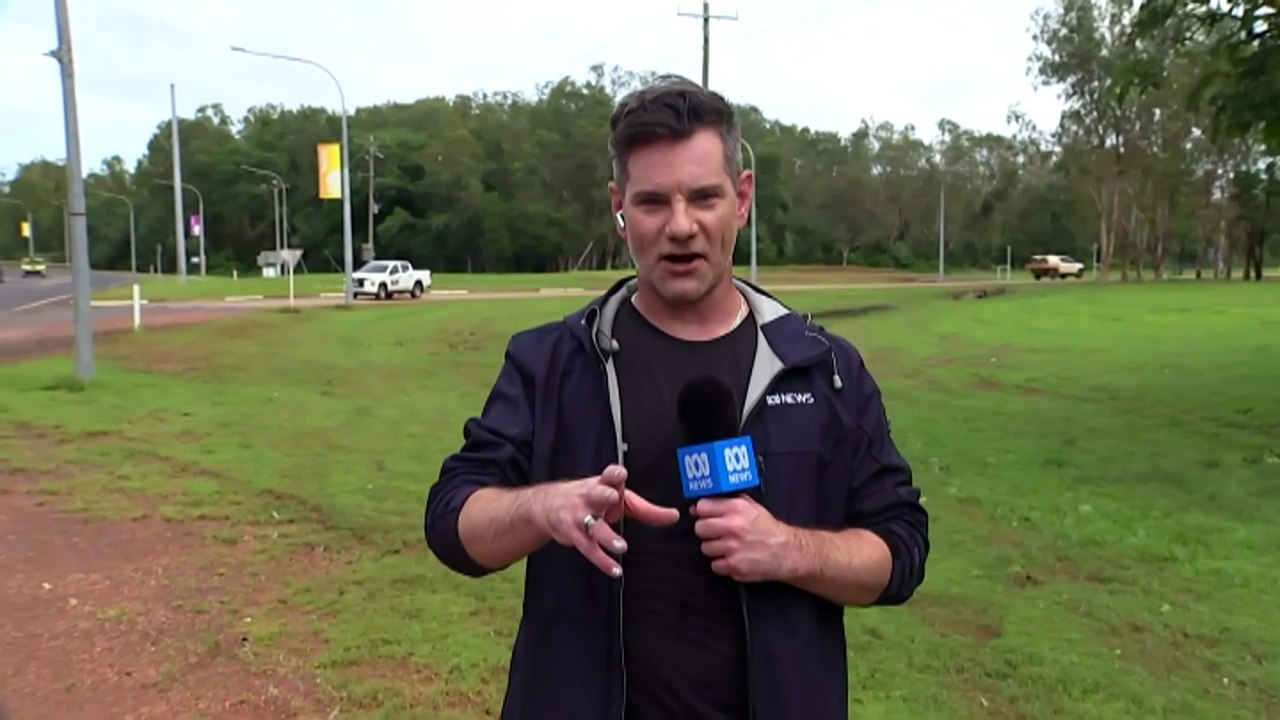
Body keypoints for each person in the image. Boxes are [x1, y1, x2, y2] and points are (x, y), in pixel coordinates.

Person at [425, 74, 930, 720]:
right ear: (619, 205)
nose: (682, 226)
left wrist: (786, 549)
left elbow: (902, 549)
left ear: (742, 199)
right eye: (654, 202)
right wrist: (544, 508)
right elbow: (450, 521)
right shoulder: (552, 363)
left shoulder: (822, 369)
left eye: (704, 197)